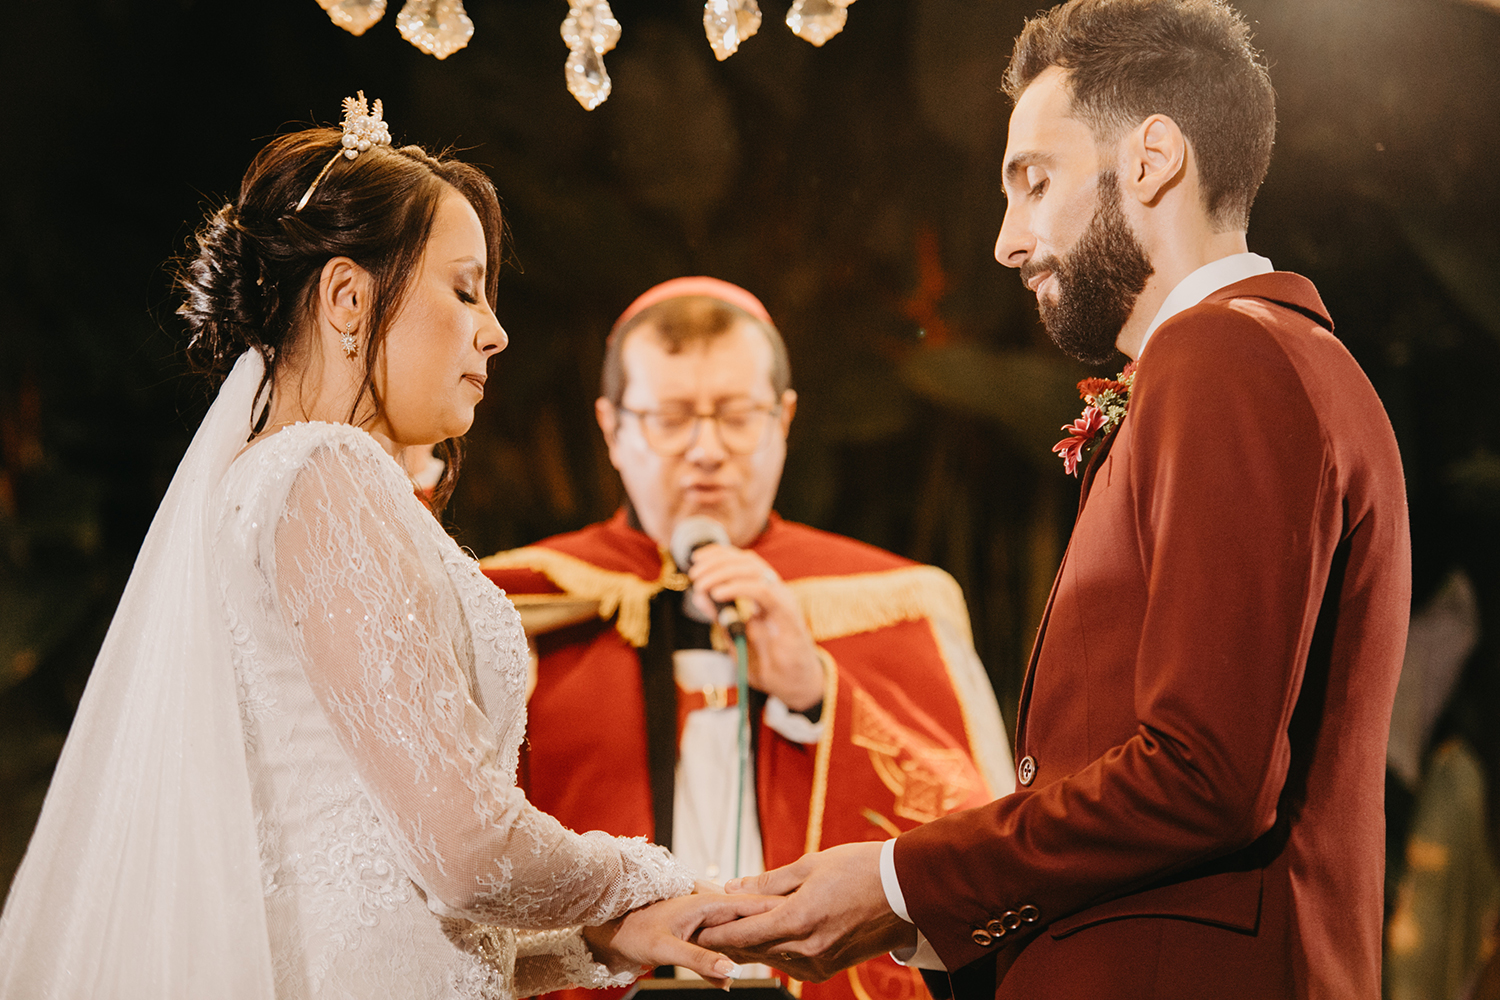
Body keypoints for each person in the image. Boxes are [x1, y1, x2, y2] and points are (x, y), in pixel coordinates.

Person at [698, 2, 1412, 997]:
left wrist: (900, 883)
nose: (1007, 240)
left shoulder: (1225, 354)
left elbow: (1203, 772)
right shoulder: (1278, 359)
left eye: (1034, 182)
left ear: (1152, 159)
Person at [0, 97, 772, 1000]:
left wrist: (596, 941)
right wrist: (658, 880)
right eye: (465, 290)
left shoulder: (262, 484)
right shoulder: (322, 471)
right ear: (348, 298)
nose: (495, 331)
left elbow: (378, 910)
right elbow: (469, 852)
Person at [479, 277, 1013, 1000]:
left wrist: (817, 696)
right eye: (670, 418)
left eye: (737, 416)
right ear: (612, 428)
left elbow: (978, 854)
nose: (707, 450)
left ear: (784, 420)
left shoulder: (893, 601)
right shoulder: (513, 608)